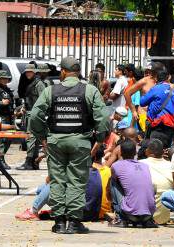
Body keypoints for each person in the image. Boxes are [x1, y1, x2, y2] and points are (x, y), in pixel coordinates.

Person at [29, 56, 110, 234]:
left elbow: (34, 115)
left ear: (63, 72)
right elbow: (103, 117)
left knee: (57, 180)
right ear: (78, 72)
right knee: (77, 181)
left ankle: (58, 222)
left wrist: (42, 136)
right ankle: (74, 222)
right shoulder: (90, 90)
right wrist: (100, 139)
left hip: (55, 142)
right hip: (80, 142)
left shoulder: (50, 91)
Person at [110, 139, 157, 228]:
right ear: (135, 152)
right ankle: (149, 220)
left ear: (121, 153)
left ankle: (121, 218)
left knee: (112, 182)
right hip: (149, 214)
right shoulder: (145, 166)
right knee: (151, 186)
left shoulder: (116, 165)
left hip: (130, 213)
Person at [140, 66, 174, 148]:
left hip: (158, 125)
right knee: (165, 149)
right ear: (168, 78)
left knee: (155, 150)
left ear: (156, 79)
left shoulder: (156, 89)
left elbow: (142, 102)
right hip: (171, 126)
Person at [17, 64, 47, 170]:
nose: (28, 73)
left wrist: (37, 112)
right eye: (27, 72)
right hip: (30, 112)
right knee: (34, 138)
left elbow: (44, 99)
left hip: (35, 114)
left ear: (34, 72)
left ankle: (29, 162)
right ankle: (33, 162)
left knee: (31, 137)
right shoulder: (30, 83)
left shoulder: (39, 84)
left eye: (30, 71)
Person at [140, 139, 173, 225]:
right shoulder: (172, 166)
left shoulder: (139, 165)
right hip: (163, 218)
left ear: (147, 151)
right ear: (163, 152)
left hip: (143, 217)